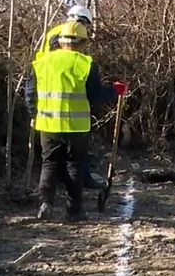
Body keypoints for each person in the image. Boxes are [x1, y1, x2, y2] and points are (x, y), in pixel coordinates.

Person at [24, 21, 123, 221]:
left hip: (48, 124)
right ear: (82, 42)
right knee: (74, 165)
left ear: (60, 41)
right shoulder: (86, 64)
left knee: (49, 163)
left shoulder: (41, 62)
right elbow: (94, 96)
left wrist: (34, 114)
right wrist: (115, 90)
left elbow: (30, 93)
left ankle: (46, 203)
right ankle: (74, 211)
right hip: (76, 126)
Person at [34, 5, 105, 190]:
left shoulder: (56, 32)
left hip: (49, 100)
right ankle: (75, 198)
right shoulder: (63, 34)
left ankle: (50, 198)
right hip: (61, 96)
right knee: (73, 158)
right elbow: (68, 64)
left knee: (52, 159)